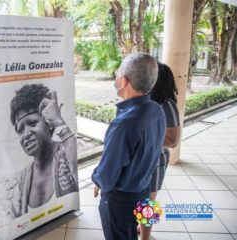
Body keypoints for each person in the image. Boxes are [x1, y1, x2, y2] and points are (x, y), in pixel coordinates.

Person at [92, 53, 166, 240]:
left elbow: (107, 177)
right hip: (143, 191)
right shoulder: (156, 110)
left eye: (118, 73)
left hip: (120, 201)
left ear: (123, 80)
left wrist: (97, 179)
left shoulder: (124, 124)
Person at [9, 83, 79, 218]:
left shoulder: (66, 153)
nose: (26, 134)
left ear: (49, 122)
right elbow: (16, 219)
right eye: (20, 130)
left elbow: (76, 168)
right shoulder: (22, 180)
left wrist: (59, 122)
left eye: (33, 123)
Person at [138, 62, 181, 240]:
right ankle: (140, 227)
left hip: (155, 160)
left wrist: (143, 140)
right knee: (140, 196)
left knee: (148, 200)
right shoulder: (146, 100)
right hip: (140, 158)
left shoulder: (167, 105)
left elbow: (173, 140)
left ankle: (145, 236)